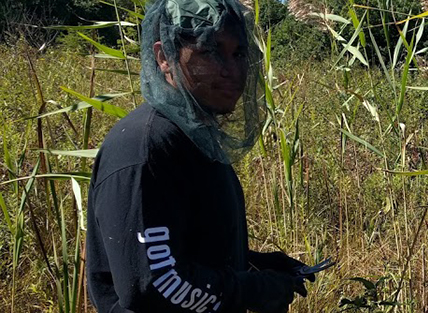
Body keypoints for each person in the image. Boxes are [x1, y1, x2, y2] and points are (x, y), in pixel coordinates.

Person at [85, 1, 312, 312]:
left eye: (239, 54)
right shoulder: (147, 148)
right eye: (211, 51)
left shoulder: (194, 139)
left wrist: (254, 264)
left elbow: (186, 248)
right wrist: (253, 289)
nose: (231, 71)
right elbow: (154, 284)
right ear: (164, 56)